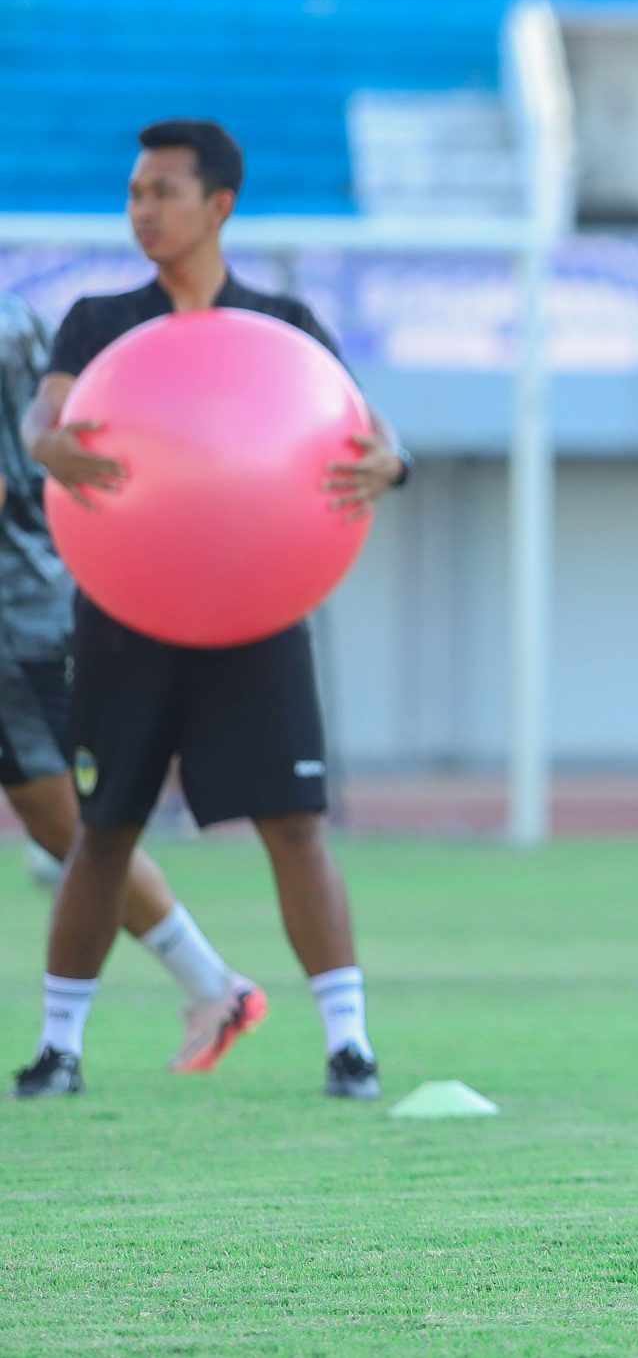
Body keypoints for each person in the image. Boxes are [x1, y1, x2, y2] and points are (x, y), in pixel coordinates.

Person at [12, 120, 409, 1102]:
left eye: (162, 193)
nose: (142, 210)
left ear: (217, 205)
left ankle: (348, 1044)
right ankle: (60, 1047)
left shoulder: (283, 326)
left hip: (260, 611)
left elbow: (370, 431)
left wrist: (393, 463)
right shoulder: (101, 323)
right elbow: (43, 417)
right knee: (102, 830)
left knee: (295, 824)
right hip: (126, 613)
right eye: (135, 193)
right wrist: (46, 442)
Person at [0, 287, 268, 1075]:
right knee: (67, 829)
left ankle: (215, 985)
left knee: (69, 829)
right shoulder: (24, 322)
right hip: (40, 595)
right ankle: (213, 984)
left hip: (15, 615)